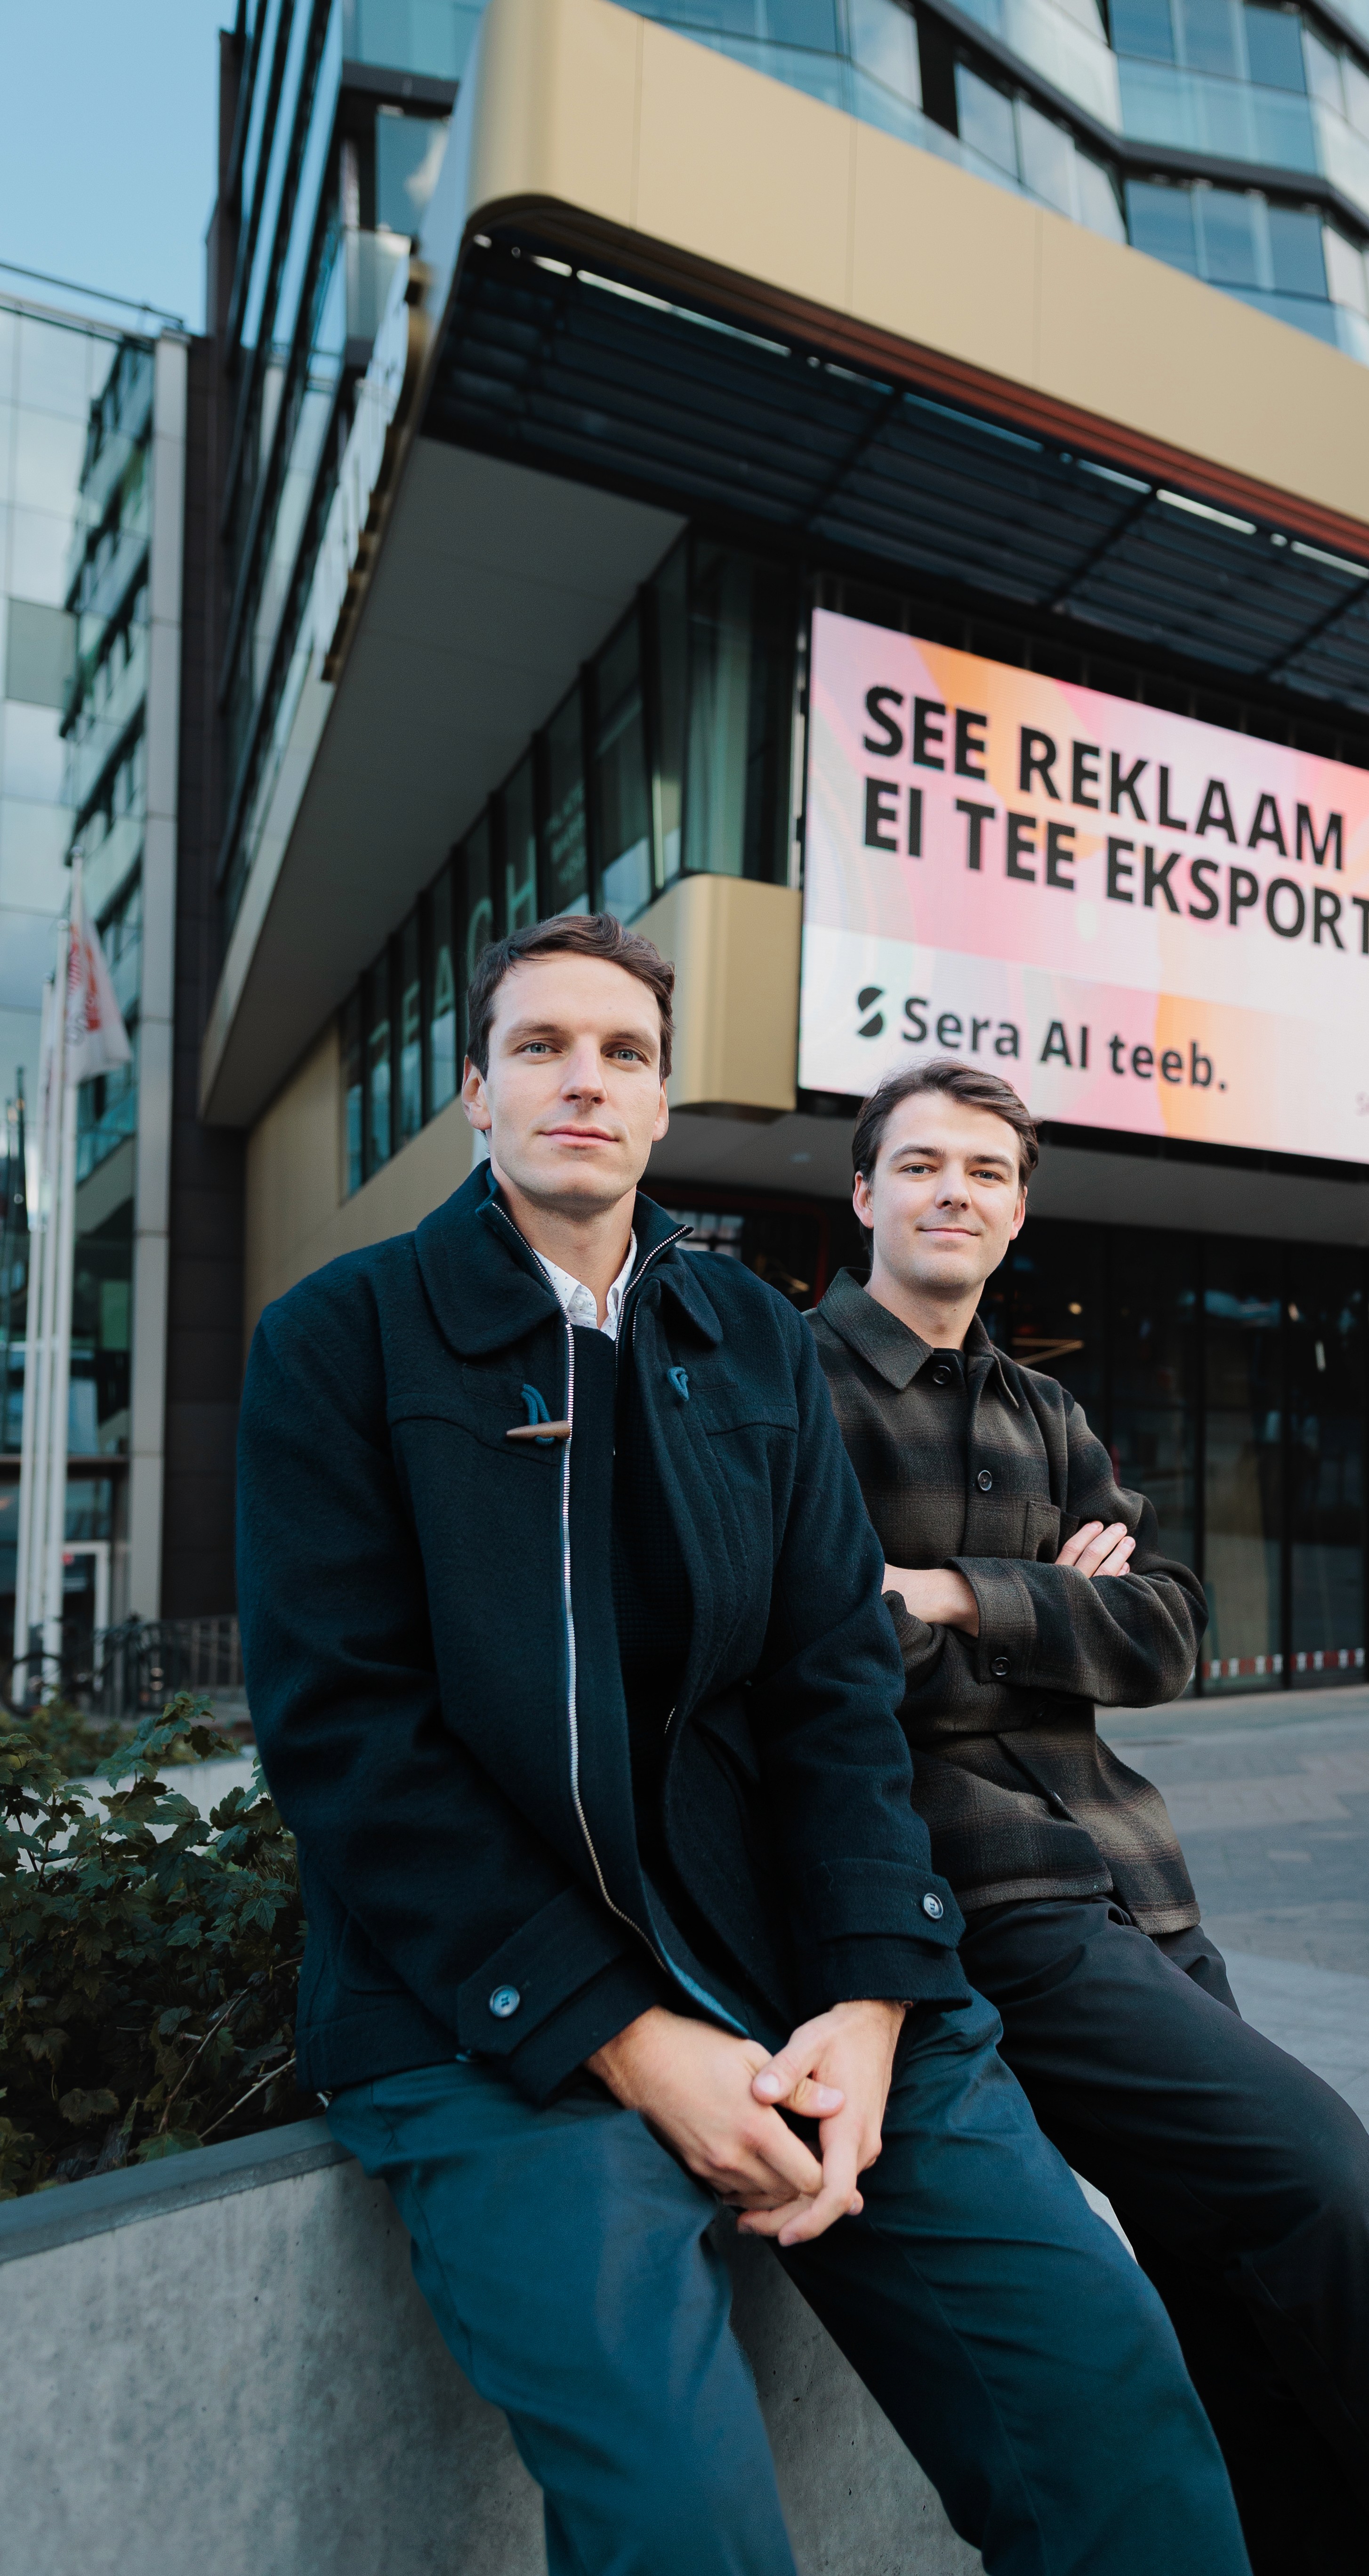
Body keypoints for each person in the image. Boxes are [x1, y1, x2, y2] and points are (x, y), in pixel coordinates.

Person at [236, 917, 1249, 2576]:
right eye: (546, 1048)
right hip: (495, 2018)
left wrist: (866, 1996)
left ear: (660, 1106)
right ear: (476, 1095)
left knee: (1113, 2393)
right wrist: (633, 2043)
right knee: (688, 2519)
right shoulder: (340, 1340)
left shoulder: (747, 1340)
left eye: (626, 1055)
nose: (587, 1081)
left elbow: (830, 1690)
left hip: (808, 1978)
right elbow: (350, 1741)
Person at [810, 1057, 1369, 2576]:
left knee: (1233, 2250)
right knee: (1315, 2175)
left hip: (1141, 1879)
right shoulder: (789, 1390)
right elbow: (815, 1644)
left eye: (988, 1174)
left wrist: (949, 1593)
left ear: (1017, 1214)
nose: (955, 1192)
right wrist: (1063, 1602)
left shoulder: (1045, 1404)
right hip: (986, 1890)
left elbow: (1175, 1633)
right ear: (863, 1194)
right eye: (921, 1165)